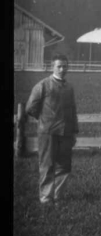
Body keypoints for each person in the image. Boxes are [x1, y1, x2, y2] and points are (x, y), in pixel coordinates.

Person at [25, 54, 79, 205]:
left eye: (65, 66)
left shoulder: (69, 88)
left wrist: (74, 132)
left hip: (66, 133)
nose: (62, 69)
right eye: (59, 66)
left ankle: (58, 196)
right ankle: (46, 199)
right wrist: (45, 120)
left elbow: (73, 110)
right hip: (48, 133)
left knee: (64, 166)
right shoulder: (42, 85)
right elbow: (30, 108)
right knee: (47, 165)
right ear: (52, 67)